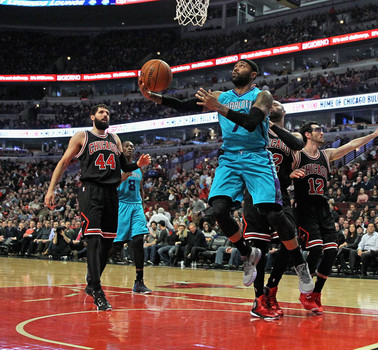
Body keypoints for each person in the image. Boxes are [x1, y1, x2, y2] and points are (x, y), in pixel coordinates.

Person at [141, 59, 313, 293]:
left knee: (273, 214)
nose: (235, 68)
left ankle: (300, 264)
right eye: (235, 65)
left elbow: (251, 123)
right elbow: (184, 105)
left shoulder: (262, 96)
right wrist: (155, 97)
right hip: (230, 158)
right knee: (219, 210)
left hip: (256, 157)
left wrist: (218, 107)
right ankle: (247, 253)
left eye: (242, 66)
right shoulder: (222, 96)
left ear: (253, 74)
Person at [44, 104, 151, 311]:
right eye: (101, 112)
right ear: (93, 116)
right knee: (93, 239)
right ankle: (98, 291)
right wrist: (51, 189)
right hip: (90, 191)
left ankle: (92, 282)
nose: (105, 115)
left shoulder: (115, 139)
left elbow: (124, 167)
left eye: (108, 113)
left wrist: (138, 164)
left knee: (108, 244)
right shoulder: (82, 136)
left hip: (111, 193)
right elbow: (64, 162)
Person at [291, 120, 378, 313]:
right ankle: (305, 289)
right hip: (305, 207)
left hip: (323, 206)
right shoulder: (297, 156)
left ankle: (316, 293)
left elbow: (351, 145)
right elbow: (279, 169)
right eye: (318, 129)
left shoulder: (326, 155)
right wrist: (289, 173)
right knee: (316, 247)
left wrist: (373, 136)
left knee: (332, 251)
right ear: (307, 134)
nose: (322, 132)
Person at [244, 100, 305, 319]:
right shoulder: (255, 131)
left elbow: (299, 150)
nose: (272, 104)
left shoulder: (292, 137)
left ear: (283, 112)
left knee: (291, 240)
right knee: (259, 246)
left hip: (280, 195)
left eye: (276, 103)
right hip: (255, 193)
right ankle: (259, 298)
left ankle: (272, 287)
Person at [108, 141, 151, 294]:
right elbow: (109, 188)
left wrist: (143, 204)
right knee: (116, 245)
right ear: (121, 150)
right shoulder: (115, 166)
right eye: (127, 146)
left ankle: (139, 281)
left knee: (138, 240)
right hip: (121, 205)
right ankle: (94, 270)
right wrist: (121, 179)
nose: (130, 148)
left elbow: (140, 188)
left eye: (132, 146)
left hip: (136, 205)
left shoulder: (138, 167)